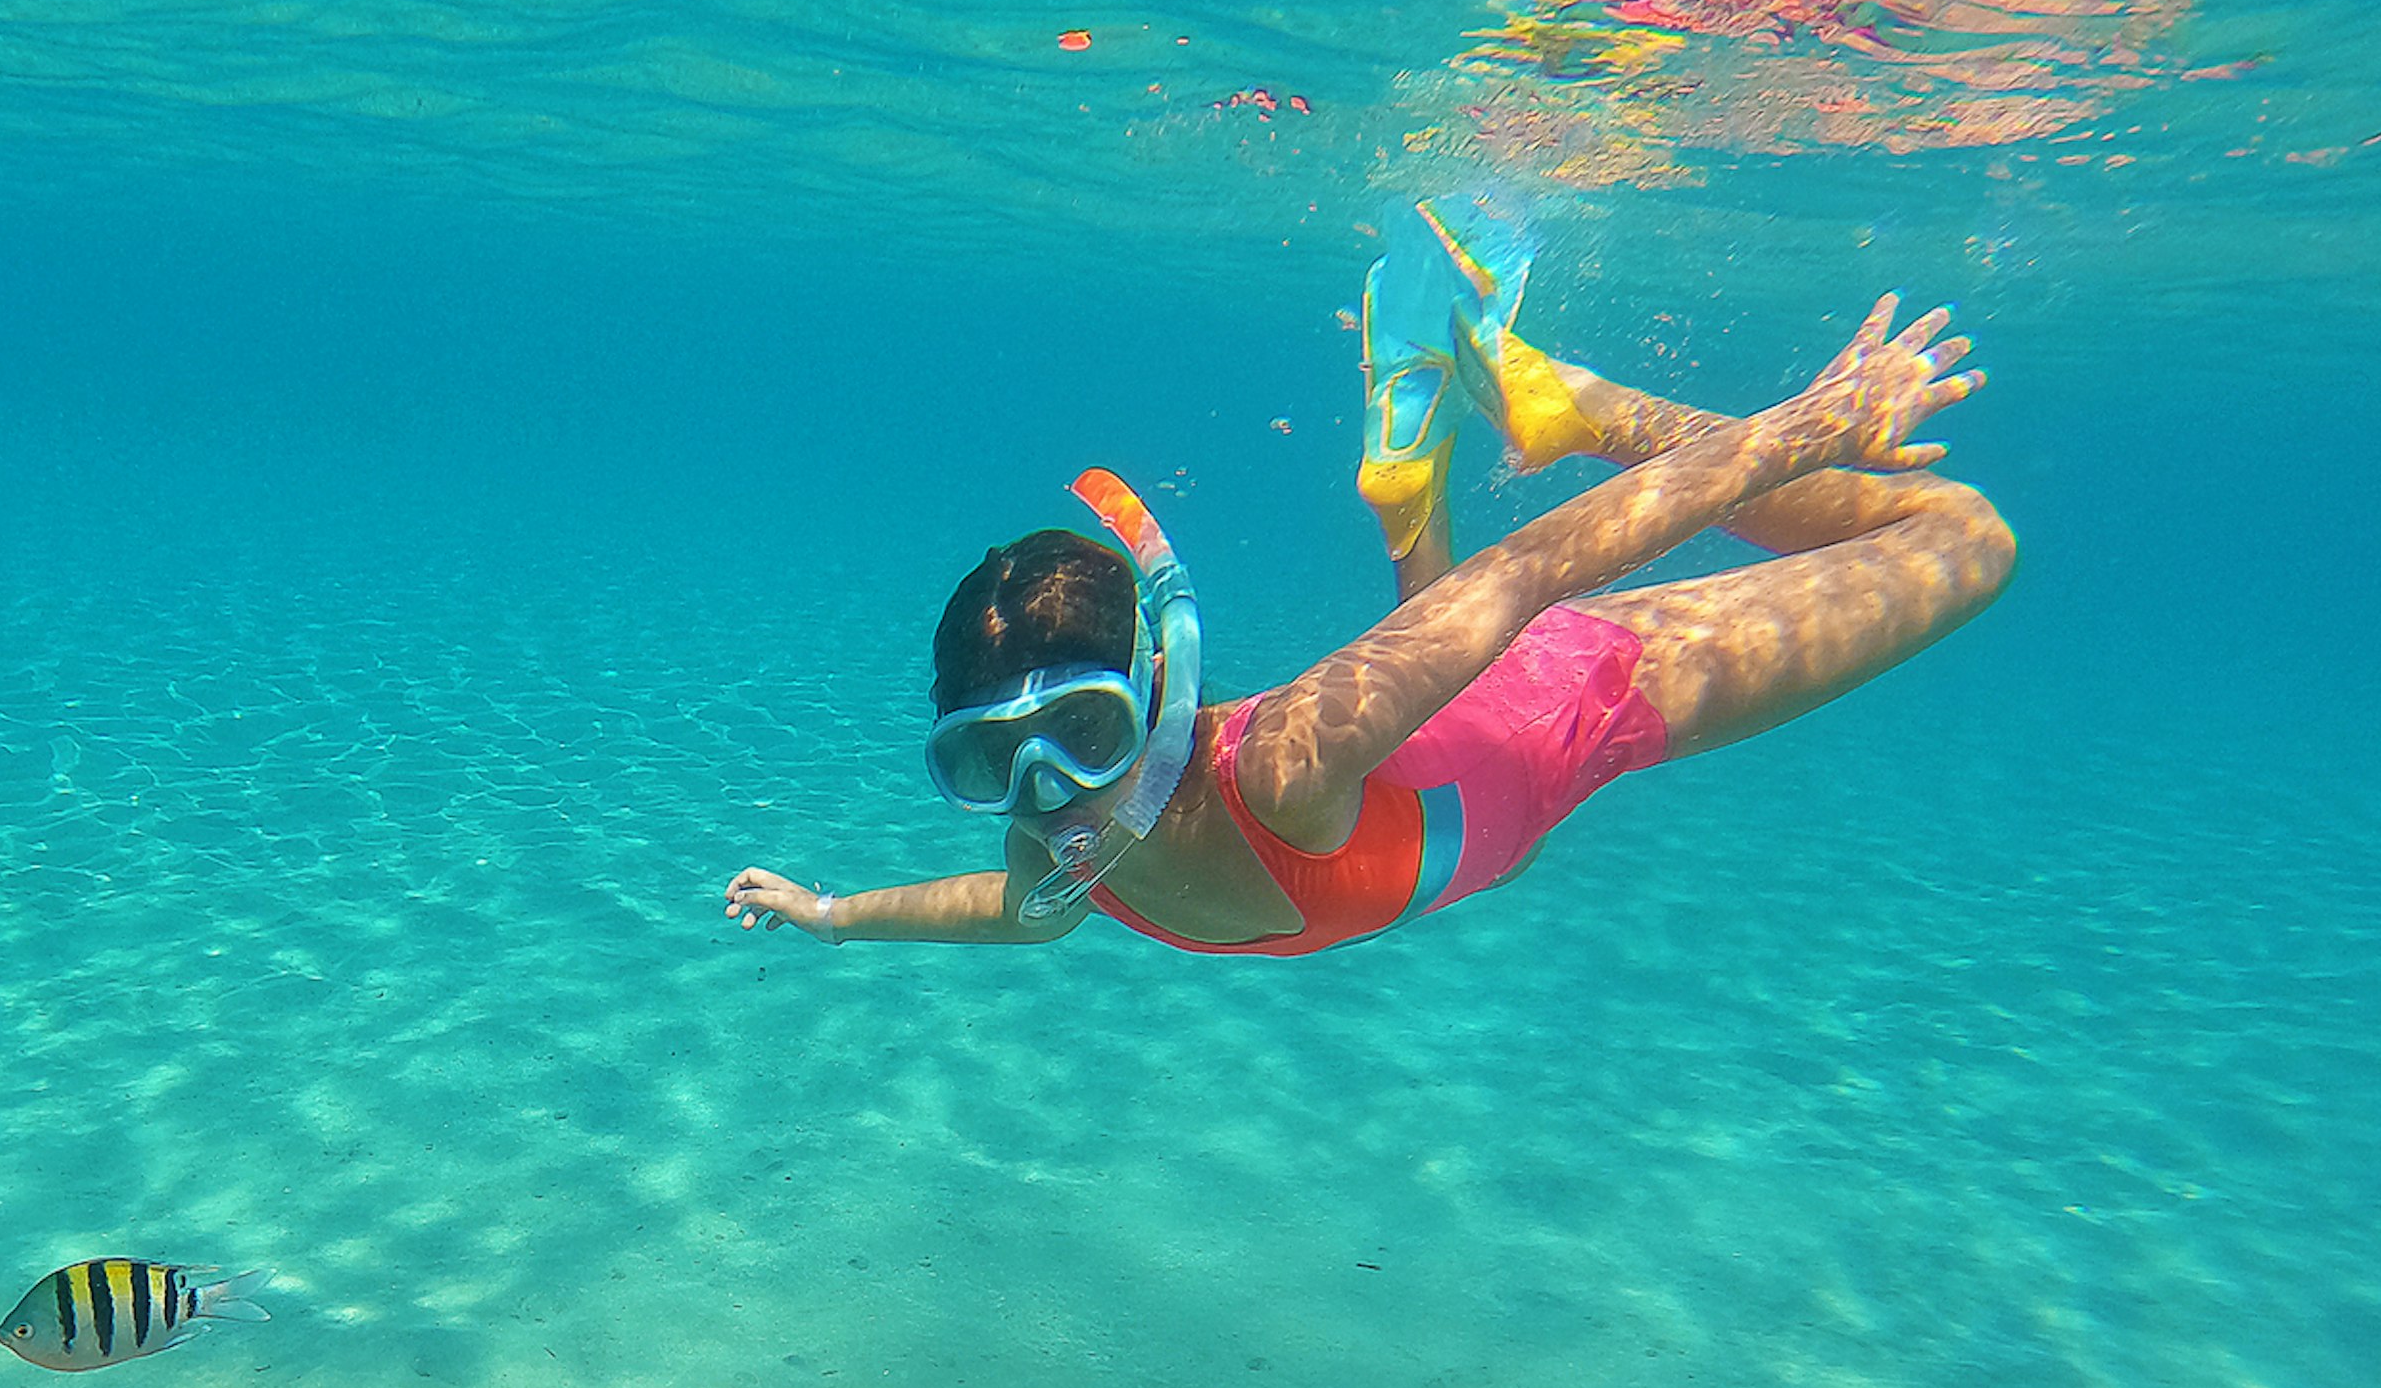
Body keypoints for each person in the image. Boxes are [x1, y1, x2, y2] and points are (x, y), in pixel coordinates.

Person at [723, 205, 2012, 957]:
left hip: (1601, 692)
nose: (1047, 792)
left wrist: (1813, 424)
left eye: (1083, 732)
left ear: (1158, 686)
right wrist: (834, 914)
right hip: (1458, 756)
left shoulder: (1283, 761)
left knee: (1966, 537)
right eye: (989, 762)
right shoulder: (1055, 849)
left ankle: (1577, 410)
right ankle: (1417, 493)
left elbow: (1536, 571)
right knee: (1432, 689)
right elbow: (999, 911)